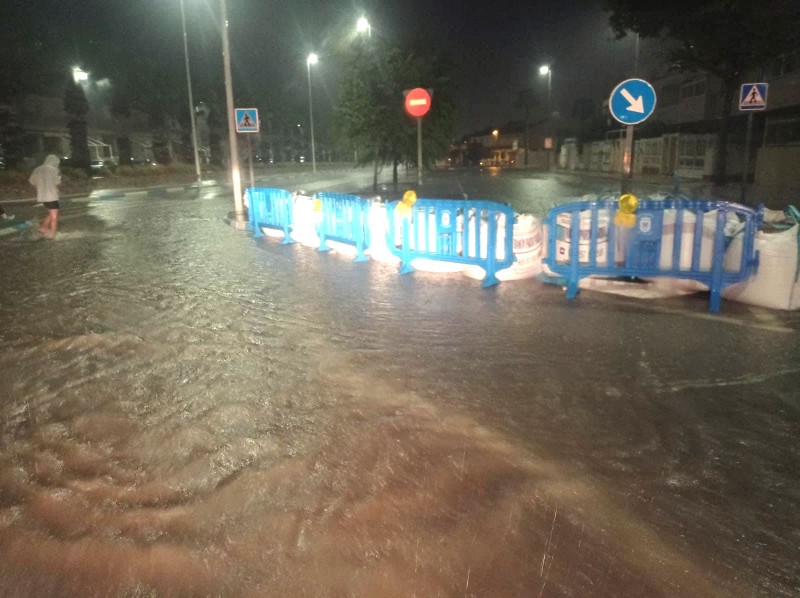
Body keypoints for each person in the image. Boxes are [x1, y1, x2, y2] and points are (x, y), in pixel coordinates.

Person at [29, 154, 61, 237]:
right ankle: (53, 235)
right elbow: (57, 182)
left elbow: (32, 181)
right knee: (54, 216)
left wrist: (40, 183)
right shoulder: (53, 170)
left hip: (42, 196)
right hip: (51, 196)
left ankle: (43, 228)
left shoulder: (37, 169)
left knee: (51, 213)